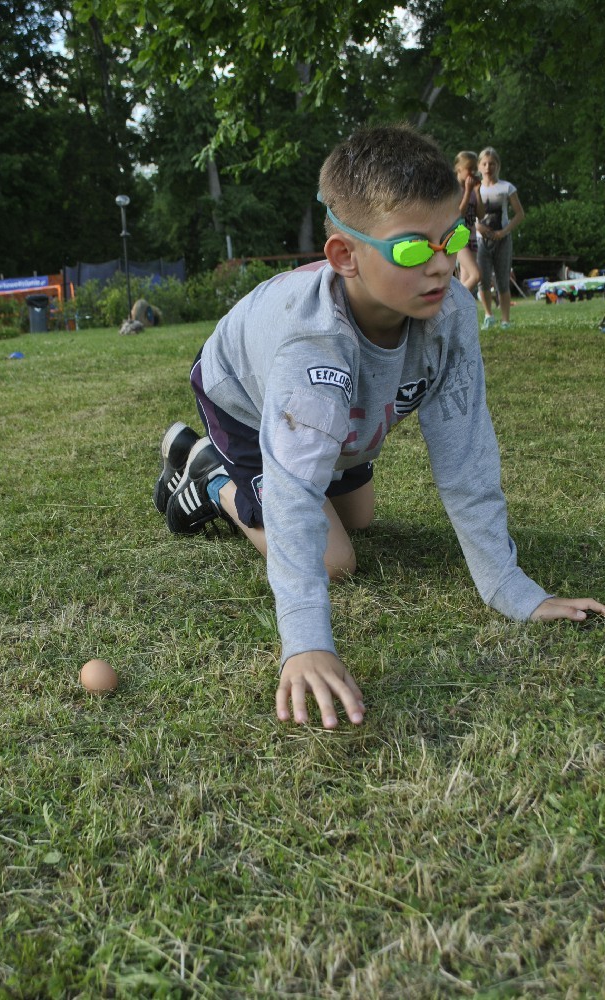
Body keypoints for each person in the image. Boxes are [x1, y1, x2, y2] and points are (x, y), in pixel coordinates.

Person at [153, 123, 604, 730]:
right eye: (413, 249)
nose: (443, 265)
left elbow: (465, 460)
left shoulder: (451, 315)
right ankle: (210, 473)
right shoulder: (311, 350)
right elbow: (294, 493)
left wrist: (512, 589)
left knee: (360, 517)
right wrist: (306, 641)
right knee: (335, 558)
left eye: (453, 237)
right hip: (246, 399)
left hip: (340, 409)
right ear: (345, 255)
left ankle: (244, 470)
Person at [476, 146, 525, 330]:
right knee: (482, 279)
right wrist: (477, 227)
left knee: (503, 280)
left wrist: (504, 232)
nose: (488, 167)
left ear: (498, 165)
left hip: (502, 239)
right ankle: (489, 315)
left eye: (492, 164)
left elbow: (519, 214)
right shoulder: (475, 189)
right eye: (484, 164)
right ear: (479, 166)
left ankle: (505, 320)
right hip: (481, 241)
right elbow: (466, 214)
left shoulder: (507, 187)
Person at [453, 150, 483, 293]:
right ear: (459, 169)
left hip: (471, 237)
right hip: (457, 237)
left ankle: (460, 305)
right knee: (476, 275)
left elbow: (481, 215)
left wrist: (477, 192)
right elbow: (458, 214)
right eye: (469, 168)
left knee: (465, 280)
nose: (473, 172)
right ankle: (454, 302)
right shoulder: (454, 190)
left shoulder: (472, 189)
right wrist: (467, 191)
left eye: (474, 169)